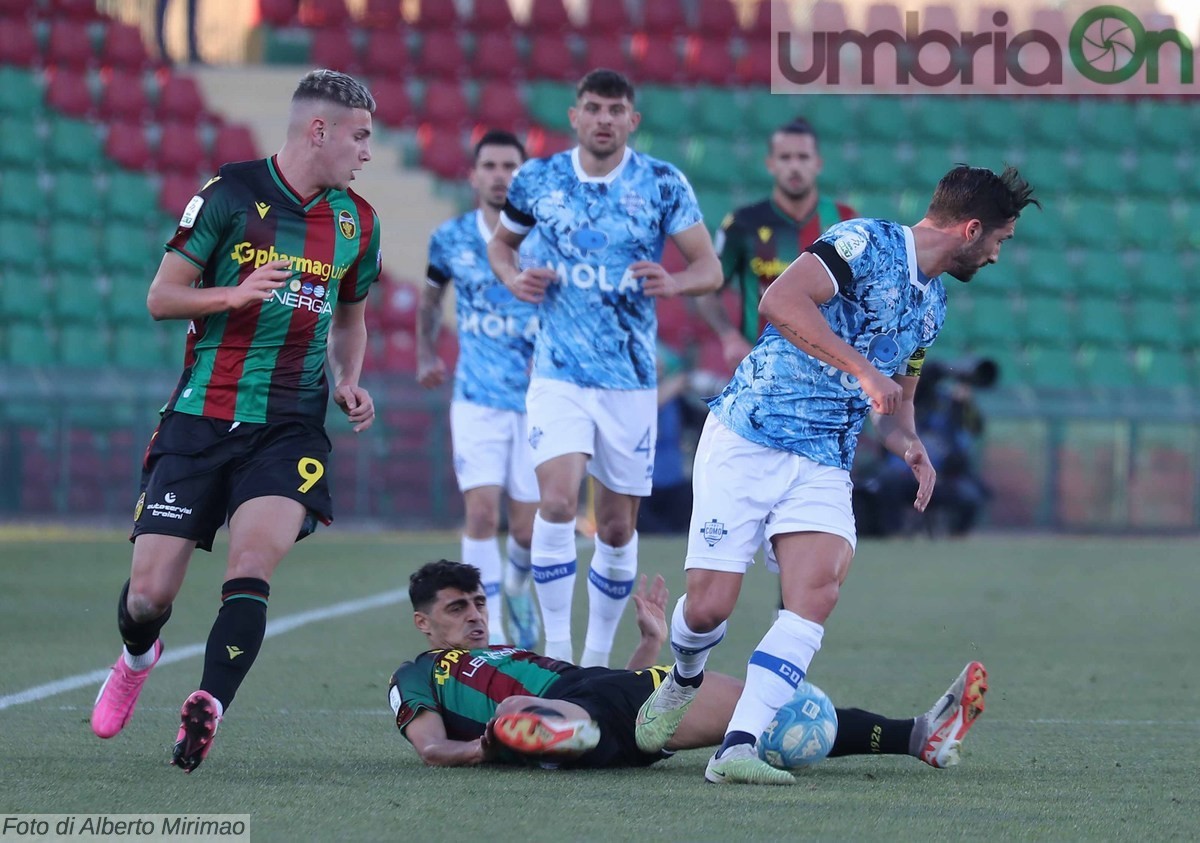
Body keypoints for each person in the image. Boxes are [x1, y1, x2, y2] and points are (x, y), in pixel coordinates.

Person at [635, 165, 1039, 785]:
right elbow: (779, 301)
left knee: (817, 592)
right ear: (972, 228)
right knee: (711, 606)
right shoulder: (864, 242)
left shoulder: (932, 303)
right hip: (749, 434)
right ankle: (683, 679)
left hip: (823, 459)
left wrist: (910, 444)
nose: (995, 255)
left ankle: (735, 749)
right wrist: (859, 370)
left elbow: (897, 402)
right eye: (999, 241)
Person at [90, 69, 381, 774]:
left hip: (288, 428)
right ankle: (137, 654)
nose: (367, 152)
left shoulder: (357, 221)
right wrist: (235, 294)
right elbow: (162, 297)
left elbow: (351, 317)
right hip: (199, 418)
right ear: (320, 131)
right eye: (360, 136)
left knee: (252, 563)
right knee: (149, 594)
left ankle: (209, 704)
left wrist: (348, 379)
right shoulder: (227, 197)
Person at [487, 68, 722, 668]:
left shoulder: (663, 184)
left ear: (631, 120)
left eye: (616, 110)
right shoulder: (537, 179)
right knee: (560, 503)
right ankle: (559, 654)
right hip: (559, 372)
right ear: (574, 115)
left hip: (630, 381)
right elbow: (501, 245)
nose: (603, 119)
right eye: (593, 107)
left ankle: (595, 661)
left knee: (616, 528)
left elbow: (709, 270)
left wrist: (673, 281)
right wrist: (514, 278)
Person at [388, 560, 987, 773]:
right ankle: (549, 737)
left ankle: (919, 737)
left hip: (612, 695)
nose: (473, 617)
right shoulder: (417, 675)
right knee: (522, 711)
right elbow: (432, 749)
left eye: (478, 604)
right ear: (424, 623)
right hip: (549, 712)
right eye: (456, 608)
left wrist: (648, 643)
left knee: (784, 709)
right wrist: (487, 746)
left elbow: (596, 686)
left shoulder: (509, 650)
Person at [417, 129, 542, 649]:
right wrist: (426, 352)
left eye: (509, 165)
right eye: (489, 165)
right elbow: (429, 300)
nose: (499, 175)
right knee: (482, 513)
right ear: (473, 176)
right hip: (476, 397)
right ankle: (484, 627)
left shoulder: (546, 237)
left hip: (540, 400)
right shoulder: (449, 238)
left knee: (530, 532)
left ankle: (515, 585)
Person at [695, 118, 857, 373]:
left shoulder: (846, 221)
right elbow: (706, 288)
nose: (794, 166)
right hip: (761, 368)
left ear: (818, 164)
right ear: (770, 164)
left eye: (803, 157)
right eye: (785, 157)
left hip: (829, 371)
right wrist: (729, 337)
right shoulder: (743, 223)